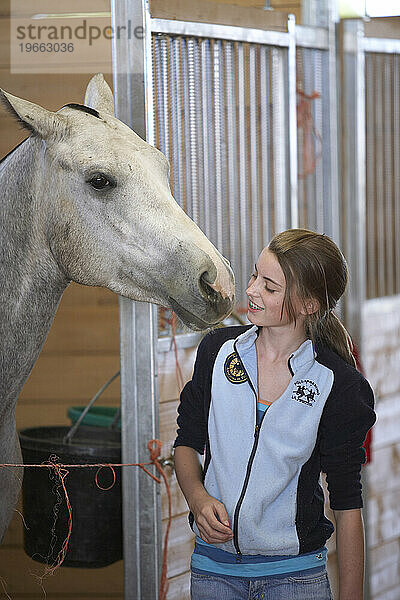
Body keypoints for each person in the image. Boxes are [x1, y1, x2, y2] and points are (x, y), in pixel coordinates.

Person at [174, 228, 376, 600]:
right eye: (254, 276)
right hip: (211, 575)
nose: (250, 290)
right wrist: (197, 498)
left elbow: (347, 505)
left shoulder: (340, 385)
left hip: (295, 580)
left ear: (308, 304)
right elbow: (186, 443)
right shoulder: (216, 352)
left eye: (269, 287)